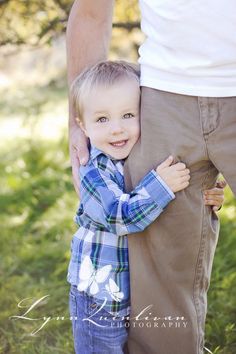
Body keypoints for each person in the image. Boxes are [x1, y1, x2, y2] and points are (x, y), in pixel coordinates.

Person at [66, 2, 234, 353]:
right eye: (102, 120)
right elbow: (120, 213)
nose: (117, 130)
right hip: (98, 299)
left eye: (128, 115)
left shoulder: (122, 159)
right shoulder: (96, 169)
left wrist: (209, 193)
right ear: (84, 122)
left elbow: (139, 197)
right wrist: (161, 187)